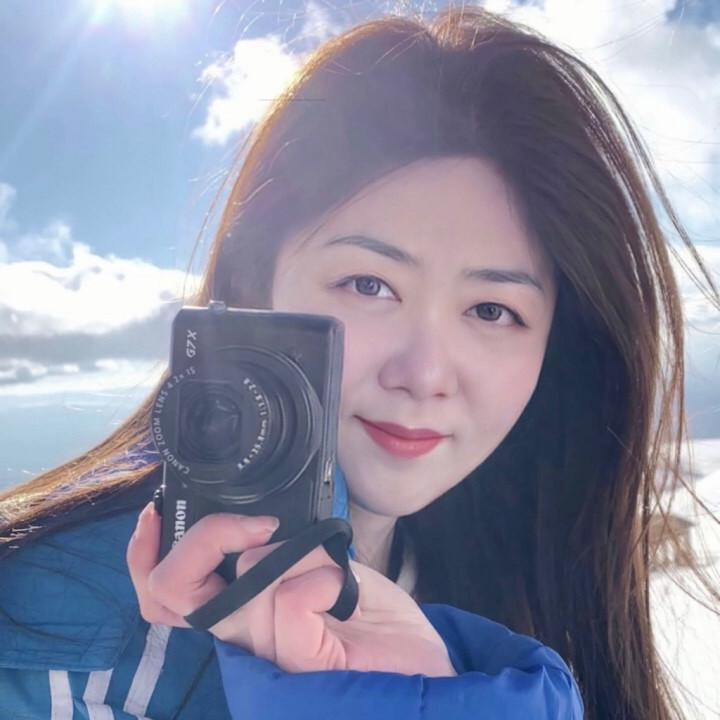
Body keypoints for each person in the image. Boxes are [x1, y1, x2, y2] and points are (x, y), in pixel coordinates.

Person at [0, 5, 717, 720]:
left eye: (492, 311)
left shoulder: (512, 594)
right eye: (369, 285)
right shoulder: (64, 649)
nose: (425, 374)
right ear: (252, 290)